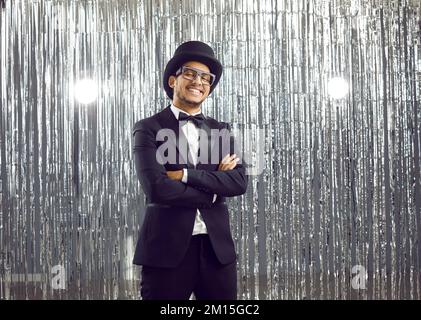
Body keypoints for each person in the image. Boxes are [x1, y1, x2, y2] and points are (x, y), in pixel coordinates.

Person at [132, 41, 248, 300]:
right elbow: (157, 188)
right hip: (165, 252)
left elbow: (239, 181)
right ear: (173, 80)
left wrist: (185, 175)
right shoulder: (148, 128)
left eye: (206, 78)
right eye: (191, 73)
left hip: (217, 252)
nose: (199, 81)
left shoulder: (221, 129)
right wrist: (214, 190)